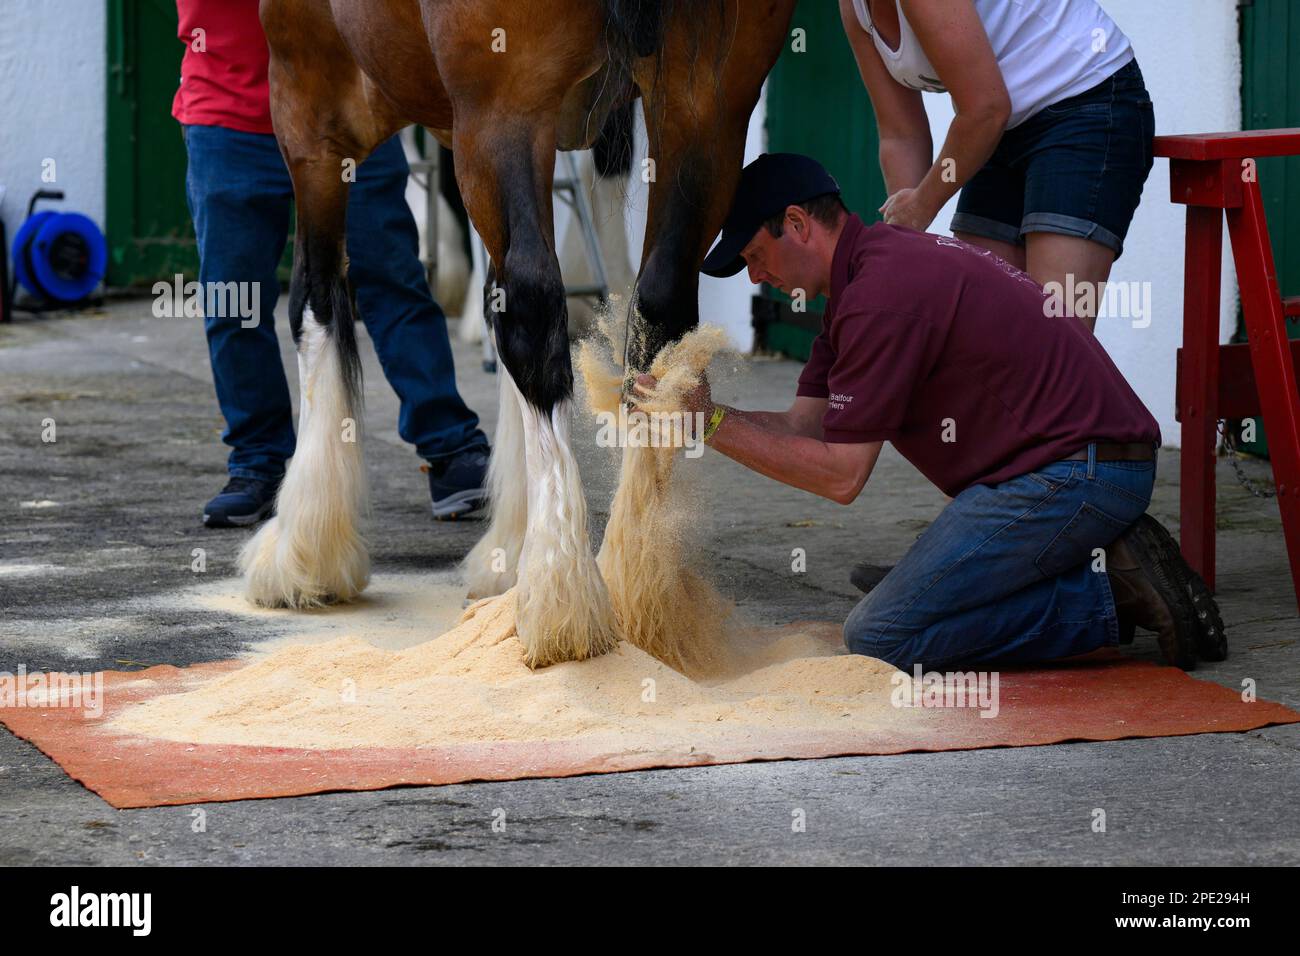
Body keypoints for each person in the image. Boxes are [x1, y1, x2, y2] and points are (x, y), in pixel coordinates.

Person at [633, 153, 1226, 672]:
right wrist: (709, 413)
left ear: (796, 223)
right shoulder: (863, 281)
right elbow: (800, 427)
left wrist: (707, 424)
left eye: (755, 256)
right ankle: (1042, 570)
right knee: (904, 605)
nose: (756, 276)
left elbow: (841, 476)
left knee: (880, 635)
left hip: (1082, 474)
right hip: (1061, 467)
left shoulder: (878, 299)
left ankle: (1112, 591)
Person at [173, 0, 490, 527]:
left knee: (392, 279)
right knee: (235, 302)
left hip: (347, 108)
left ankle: (452, 449)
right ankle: (259, 463)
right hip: (229, 120)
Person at [840, 0, 1154, 330]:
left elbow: (985, 110)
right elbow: (901, 134)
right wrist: (904, 239)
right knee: (982, 333)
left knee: (1056, 330)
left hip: (1085, 99)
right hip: (997, 127)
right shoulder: (852, 7)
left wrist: (921, 204)